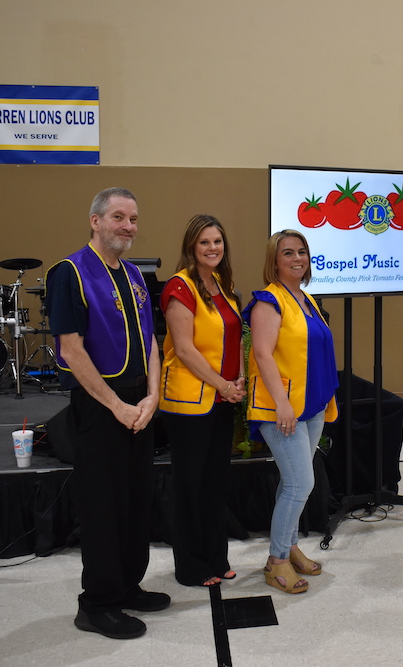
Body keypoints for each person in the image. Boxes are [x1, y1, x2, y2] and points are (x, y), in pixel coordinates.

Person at [45, 187, 168, 640]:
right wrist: (116, 405)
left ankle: (127, 586)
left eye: (133, 219)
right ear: (95, 220)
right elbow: (71, 349)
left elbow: (152, 342)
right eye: (119, 217)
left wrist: (153, 396)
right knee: (103, 506)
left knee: (137, 501)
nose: (128, 226)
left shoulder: (135, 274)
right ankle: (96, 603)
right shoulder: (70, 273)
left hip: (140, 404)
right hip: (102, 407)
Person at [243, 229, 339, 594]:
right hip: (281, 409)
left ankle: (289, 546)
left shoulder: (305, 299)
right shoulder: (270, 301)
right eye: (288, 253)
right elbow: (263, 354)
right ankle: (276, 561)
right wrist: (282, 404)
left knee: (292, 483)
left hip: (310, 405)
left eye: (302, 252)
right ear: (275, 260)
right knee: (301, 483)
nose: (297, 258)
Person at [158, 215, 244, 587]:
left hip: (222, 399)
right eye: (205, 242)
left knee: (214, 483)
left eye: (218, 242)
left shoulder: (221, 284)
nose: (213, 248)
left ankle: (215, 556)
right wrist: (223, 385)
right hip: (191, 401)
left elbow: (236, 335)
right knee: (190, 486)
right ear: (191, 246)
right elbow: (185, 349)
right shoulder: (180, 286)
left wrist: (237, 379)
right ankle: (190, 565)